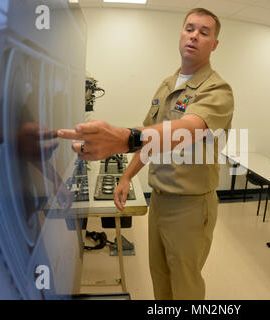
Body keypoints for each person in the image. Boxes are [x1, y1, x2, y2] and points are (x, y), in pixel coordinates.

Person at [58, 8, 234, 300]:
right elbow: (152, 138)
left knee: (185, 285)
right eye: (189, 28)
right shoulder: (168, 84)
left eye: (204, 32)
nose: (194, 35)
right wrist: (127, 175)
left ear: (214, 44)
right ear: (180, 33)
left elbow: (185, 130)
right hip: (161, 200)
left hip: (191, 206)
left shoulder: (217, 90)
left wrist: (126, 138)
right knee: (161, 280)